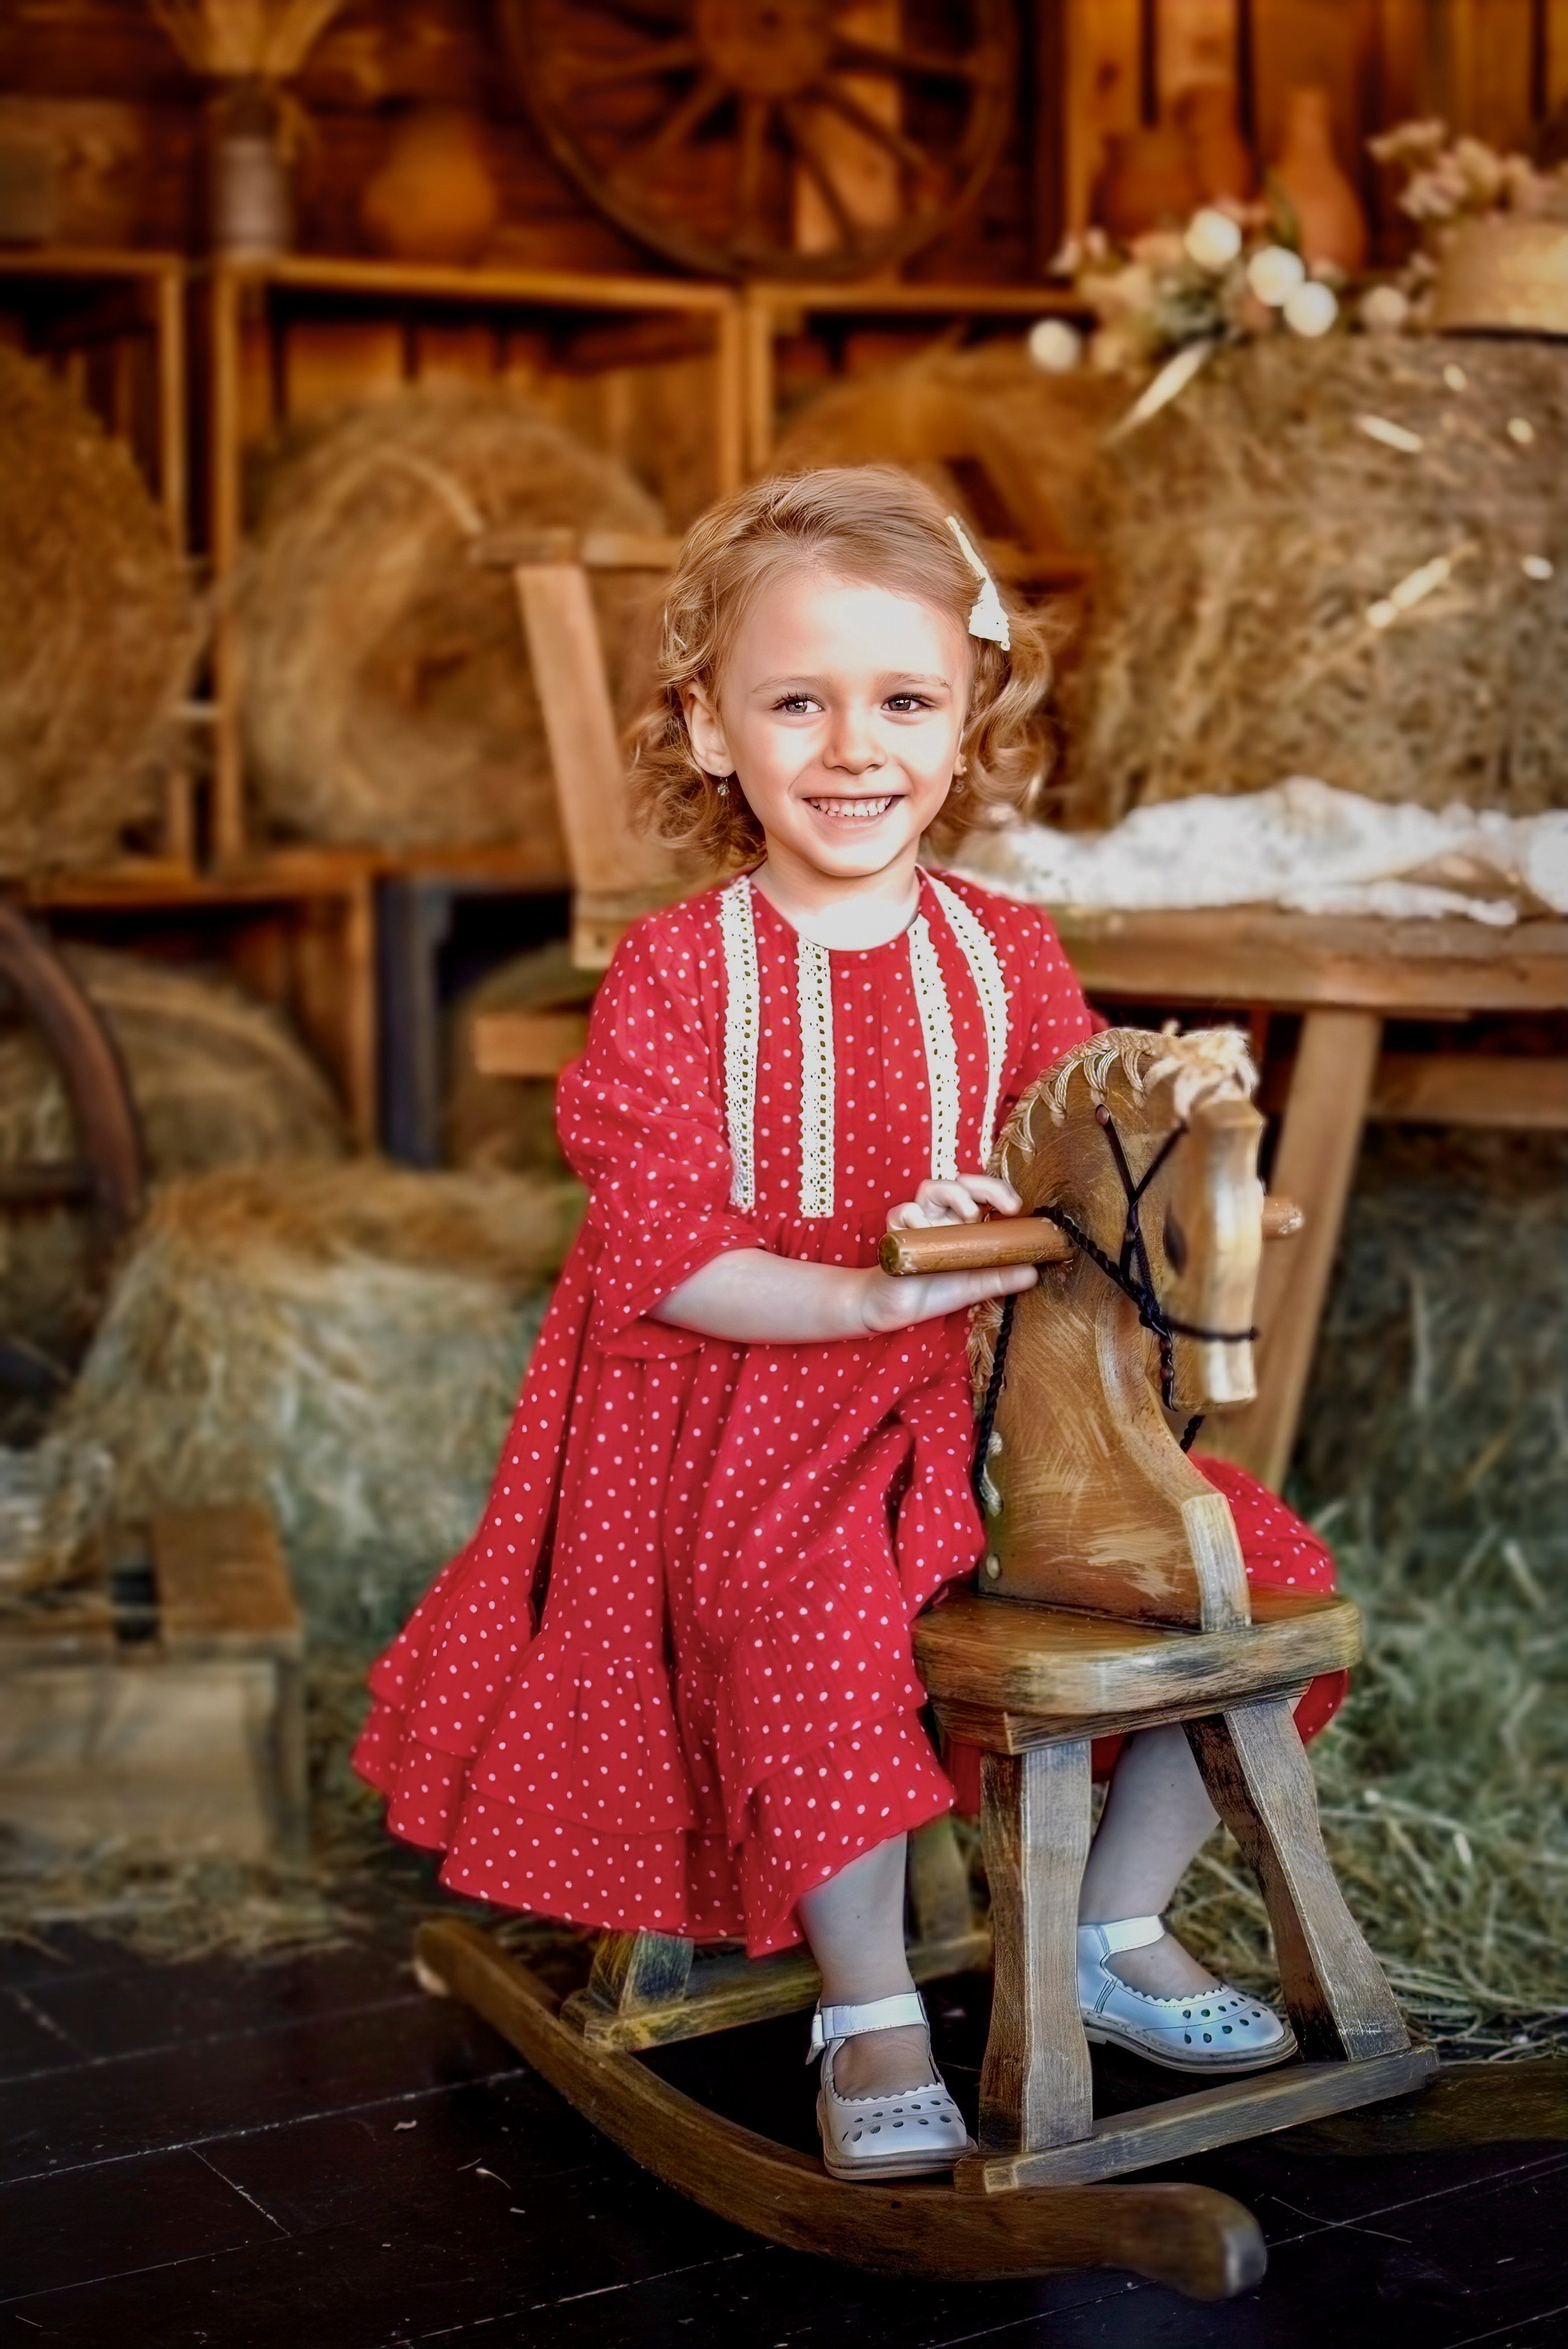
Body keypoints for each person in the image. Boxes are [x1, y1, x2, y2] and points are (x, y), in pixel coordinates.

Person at [354, 467, 1346, 2183]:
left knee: (1253, 1573)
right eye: (795, 701)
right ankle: (868, 1998)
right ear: (712, 727)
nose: (852, 746)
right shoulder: (684, 971)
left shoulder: (1005, 952)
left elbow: (1085, 1139)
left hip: (975, 1401)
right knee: (804, 1621)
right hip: (752, 1407)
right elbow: (665, 1255)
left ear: (966, 727)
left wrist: (1194, 1199)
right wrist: (867, 1290)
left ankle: (1112, 1927)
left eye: (903, 701)